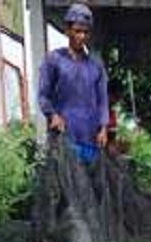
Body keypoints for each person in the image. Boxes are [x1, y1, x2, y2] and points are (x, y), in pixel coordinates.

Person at [38, 3, 109, 165]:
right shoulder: (54, 60)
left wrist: (103, 128)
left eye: (85, 32)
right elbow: (43, 95)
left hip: (91, 140)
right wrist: (53, 115)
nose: (81, 36)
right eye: (77, 31)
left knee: (90, 186)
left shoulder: (96, 66)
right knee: (65, 186)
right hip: (64, 139)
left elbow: (102, 101)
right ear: (67, 31)